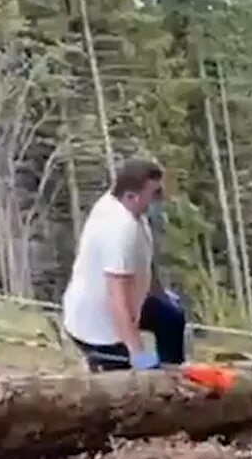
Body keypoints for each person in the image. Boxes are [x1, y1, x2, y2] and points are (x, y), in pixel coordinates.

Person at [60, 157, 187, 372]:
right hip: (97, 327)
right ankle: (102, 365)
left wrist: (161, 297)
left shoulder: (130, 205)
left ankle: (174, 375)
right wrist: (137, 354)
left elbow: (144, 259)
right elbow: (117, 300)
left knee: (170, 316)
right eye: (155, 193)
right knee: (131, 389)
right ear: (131, 196)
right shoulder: (119, 229)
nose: (160, 198)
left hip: (128, 302)